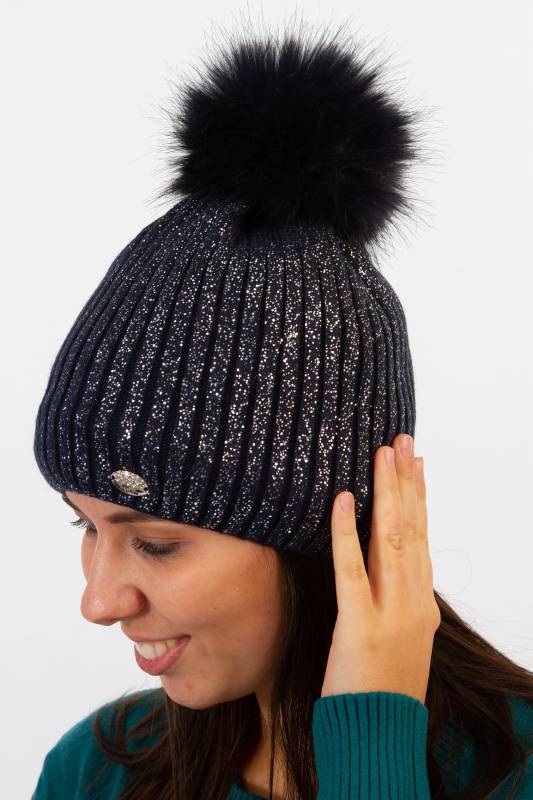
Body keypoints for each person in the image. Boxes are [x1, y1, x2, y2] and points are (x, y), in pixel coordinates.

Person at [32, 17, 533, 800]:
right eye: (86, 527)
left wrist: (372, 741)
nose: (98, 602)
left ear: (334, 534)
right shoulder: (95, 770)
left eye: (156, 542)